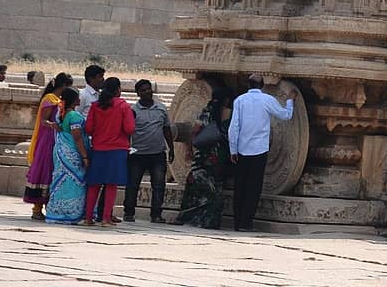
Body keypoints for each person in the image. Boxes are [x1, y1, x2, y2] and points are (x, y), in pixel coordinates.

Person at [228, 75, 295, 232]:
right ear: (262, 85)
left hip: (241, 150)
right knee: (253, 187)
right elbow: (286, 115)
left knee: (240, 186)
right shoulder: (267, 100)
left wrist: (233, 149)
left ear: (248, 84)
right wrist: (290, 101)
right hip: (259, 150)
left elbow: (234, 127)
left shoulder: (240, 101)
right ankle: (246, 222)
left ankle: (237, 222)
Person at [173, 87, 233, 229]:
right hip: (219, 157)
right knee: (215, 191)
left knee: (198, 188)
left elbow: (194, 131)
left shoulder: (207, 112)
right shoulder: (230, 114)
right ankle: (210, 222)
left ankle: (190, 217)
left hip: (204, 157)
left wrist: (189, 149)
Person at [83, 77, 134, 227]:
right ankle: (106, 218)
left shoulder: (95, 106)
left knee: (94, 184)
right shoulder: (123, 106)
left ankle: (88, 218)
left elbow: (88, 128)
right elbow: (130, 128)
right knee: (111, 185)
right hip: (117, 150)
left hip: (98, 149)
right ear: (118, 89)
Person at [123, 79, 174, 223]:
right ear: (138, 93)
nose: (147, 92)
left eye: (149, 89)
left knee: (159, 186)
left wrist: (171, 148)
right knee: (133, 185)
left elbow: (166, 129)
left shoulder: (161, 108)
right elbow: (127, 131)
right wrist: (127, 148)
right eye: (144, 90)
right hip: (137, 154)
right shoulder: (133, 110)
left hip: (157, 154)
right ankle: (129, 213)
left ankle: (156, 214)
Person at [24, 72, 73, 220]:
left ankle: (49, 206)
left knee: (53, 170)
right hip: (47, 139)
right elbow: (44, 120)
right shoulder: (49, 99)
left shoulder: (59, 100)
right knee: (44, 169)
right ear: (63, 86)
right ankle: (37, 208)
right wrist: (53, 125)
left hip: (57, 138)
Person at [45, 88, 89, 224]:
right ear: (74, 100)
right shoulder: (74, 116)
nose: (80, 99)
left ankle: (56, 212)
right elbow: (77, 138)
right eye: (77, 97)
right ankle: (70, 213)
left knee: (62, 181)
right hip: (72, 154)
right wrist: (85, 156)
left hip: (61, 152)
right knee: (74, 182)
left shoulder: (62, 115)